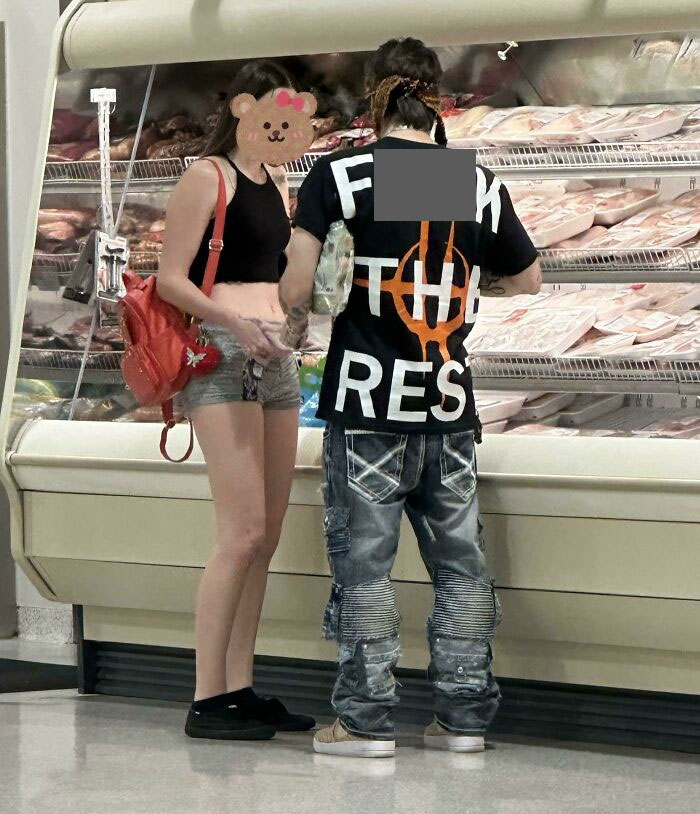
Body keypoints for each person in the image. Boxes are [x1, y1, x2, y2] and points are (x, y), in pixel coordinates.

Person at [279, 37, 541, 757]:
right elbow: (527, 281)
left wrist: (310, 301)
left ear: (374, 98)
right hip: (447, 402)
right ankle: (463, 719)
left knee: (366, 561)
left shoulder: (341, 175)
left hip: (368, 406)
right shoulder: (469, 181)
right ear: (437, 100)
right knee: (460, 563)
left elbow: (299, 290)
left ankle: (364, 721)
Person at [156, 60, 315, 740]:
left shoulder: (277, 181)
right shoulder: (206, 177)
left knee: (267, 536)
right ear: (244, 111)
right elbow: (169, 281)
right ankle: (205, 696)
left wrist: (294, 320)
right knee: (241, 531)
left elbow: (274, 274)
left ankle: (239, 685)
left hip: (275, 362)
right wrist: (236, 324)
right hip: (219, 361)